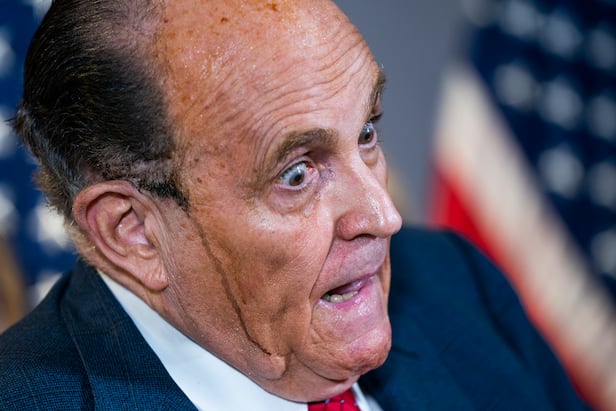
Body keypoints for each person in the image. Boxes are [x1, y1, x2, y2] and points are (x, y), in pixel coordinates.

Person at [0, 0, 593, 409]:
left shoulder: (455, 283)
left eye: (367, 133)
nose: (384, 216)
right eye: (297, 174)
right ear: (134, 231)